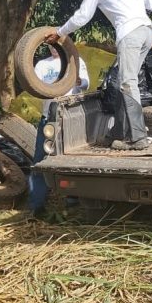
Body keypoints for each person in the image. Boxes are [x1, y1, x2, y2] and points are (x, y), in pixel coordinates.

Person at [44, 0, 152, 150]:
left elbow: (82, 17)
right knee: (122, 82)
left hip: (129, 34)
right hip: (146, 32)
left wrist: (60, 32)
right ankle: (118, 133)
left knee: (127, 82)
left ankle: (137, 137)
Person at [29, 44, 90, 213]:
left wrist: (80, 81)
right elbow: (35, 87)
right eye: (51, 46)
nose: (54, 49)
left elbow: (86, 84)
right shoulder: (42, 65)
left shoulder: (75, 62)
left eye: (57, 45)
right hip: (48, 118)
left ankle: (74, 201)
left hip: (70, 118)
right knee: (41, 161)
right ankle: (36, 205)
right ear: (48, 47)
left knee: (72, 159)